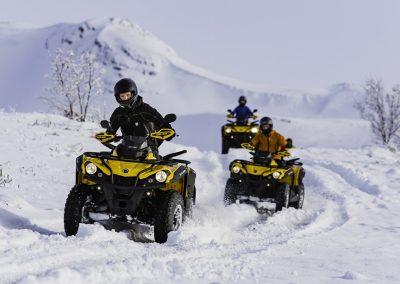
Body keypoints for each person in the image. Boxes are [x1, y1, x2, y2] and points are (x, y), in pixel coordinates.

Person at [108, 78, 173, 157]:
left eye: (127, 95)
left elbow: (161, 121)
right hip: (126, 149)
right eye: (122, 96)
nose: (125, 98)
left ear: (133, 93)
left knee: (155, 167)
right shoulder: (118, 113)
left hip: (148, 150)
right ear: (118, 97)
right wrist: (109, 136)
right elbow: (111, 130)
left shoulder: (145, 109)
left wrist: (169, 131)